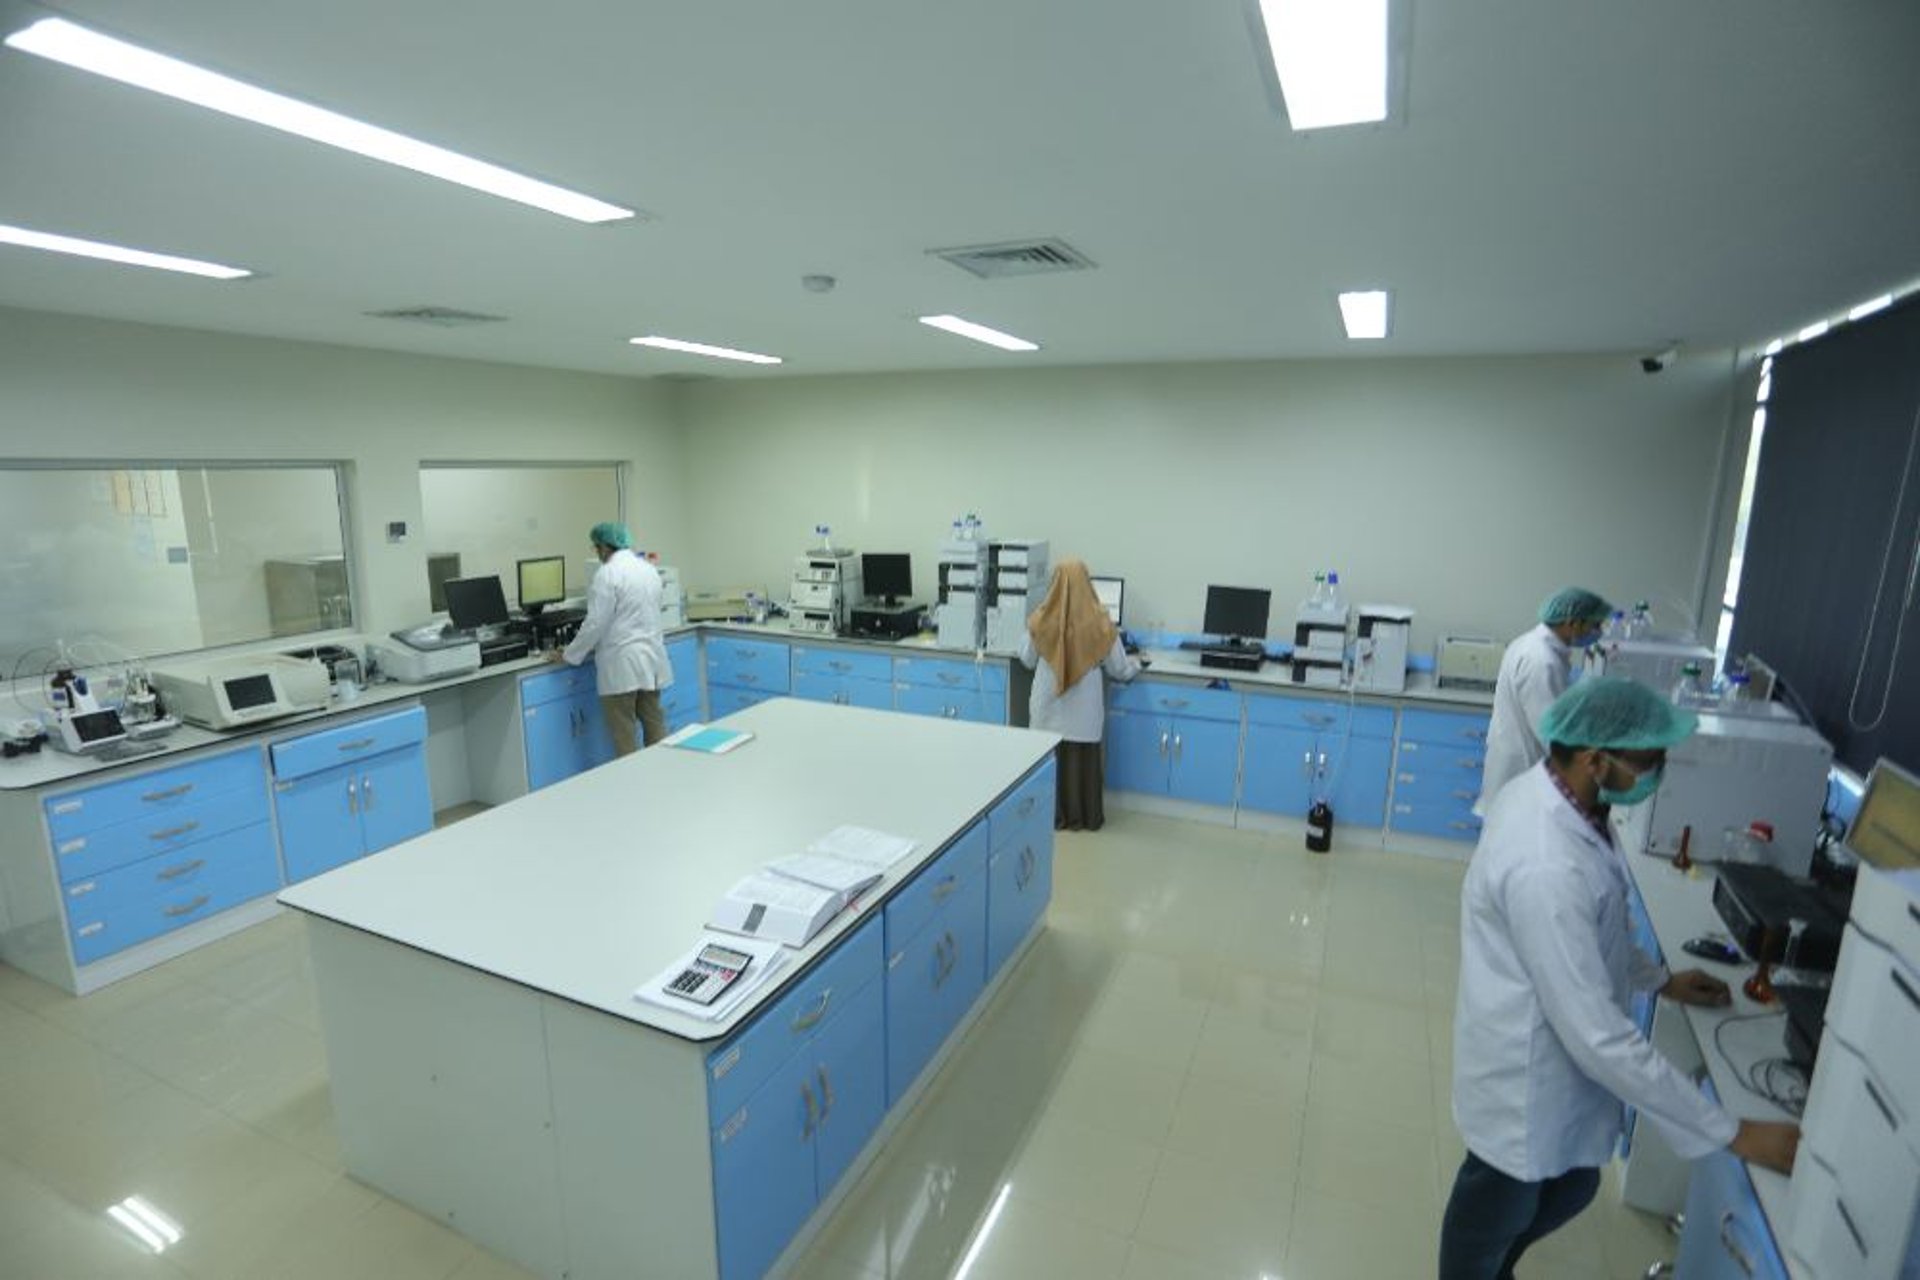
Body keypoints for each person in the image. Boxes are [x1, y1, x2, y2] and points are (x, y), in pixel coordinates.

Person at [1439, 678, 1799, 1280]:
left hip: (1549, 1056)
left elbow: (1598, 930)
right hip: (1522, 1082)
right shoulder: (1546, 861)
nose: (1656, 771)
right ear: (1593, 758)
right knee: (1486, 1224)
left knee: (1573, 1186)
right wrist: (1730, 1132)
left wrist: (1660, 979)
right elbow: (1597, 1035)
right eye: (1647, 759)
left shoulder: (1565, 802)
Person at [1017, 558, 1141, 831]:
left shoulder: (1039, 619)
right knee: (1082, 755)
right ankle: (1082, 816)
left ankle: (1048, 814)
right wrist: (1137, 665)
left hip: (1047, 709)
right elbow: (1119, 669)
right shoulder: (1101, 624)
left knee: (1046, 754)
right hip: (1084, 714)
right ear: (1088, 583)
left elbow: (1026, 659)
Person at [1475, 587, 1612, 817]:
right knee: (1515, 842)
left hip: (1519, 764)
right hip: (1523, 768)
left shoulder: (1534, 645)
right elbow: (1552, 732)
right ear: (1573, 623)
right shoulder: (1540, 660)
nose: (1597, 632)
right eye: (1594, 625)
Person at [550, 521, 672, 754]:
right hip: (652, 660)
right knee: (655, 728)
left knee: (624, 736)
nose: (597, 554)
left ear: (605, 547)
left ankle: (632, 788)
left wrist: (569, 654)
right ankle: (662, 782)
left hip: (622, 665)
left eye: (596, 549)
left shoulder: (607, 574)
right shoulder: (648, 569)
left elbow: (595, 623)